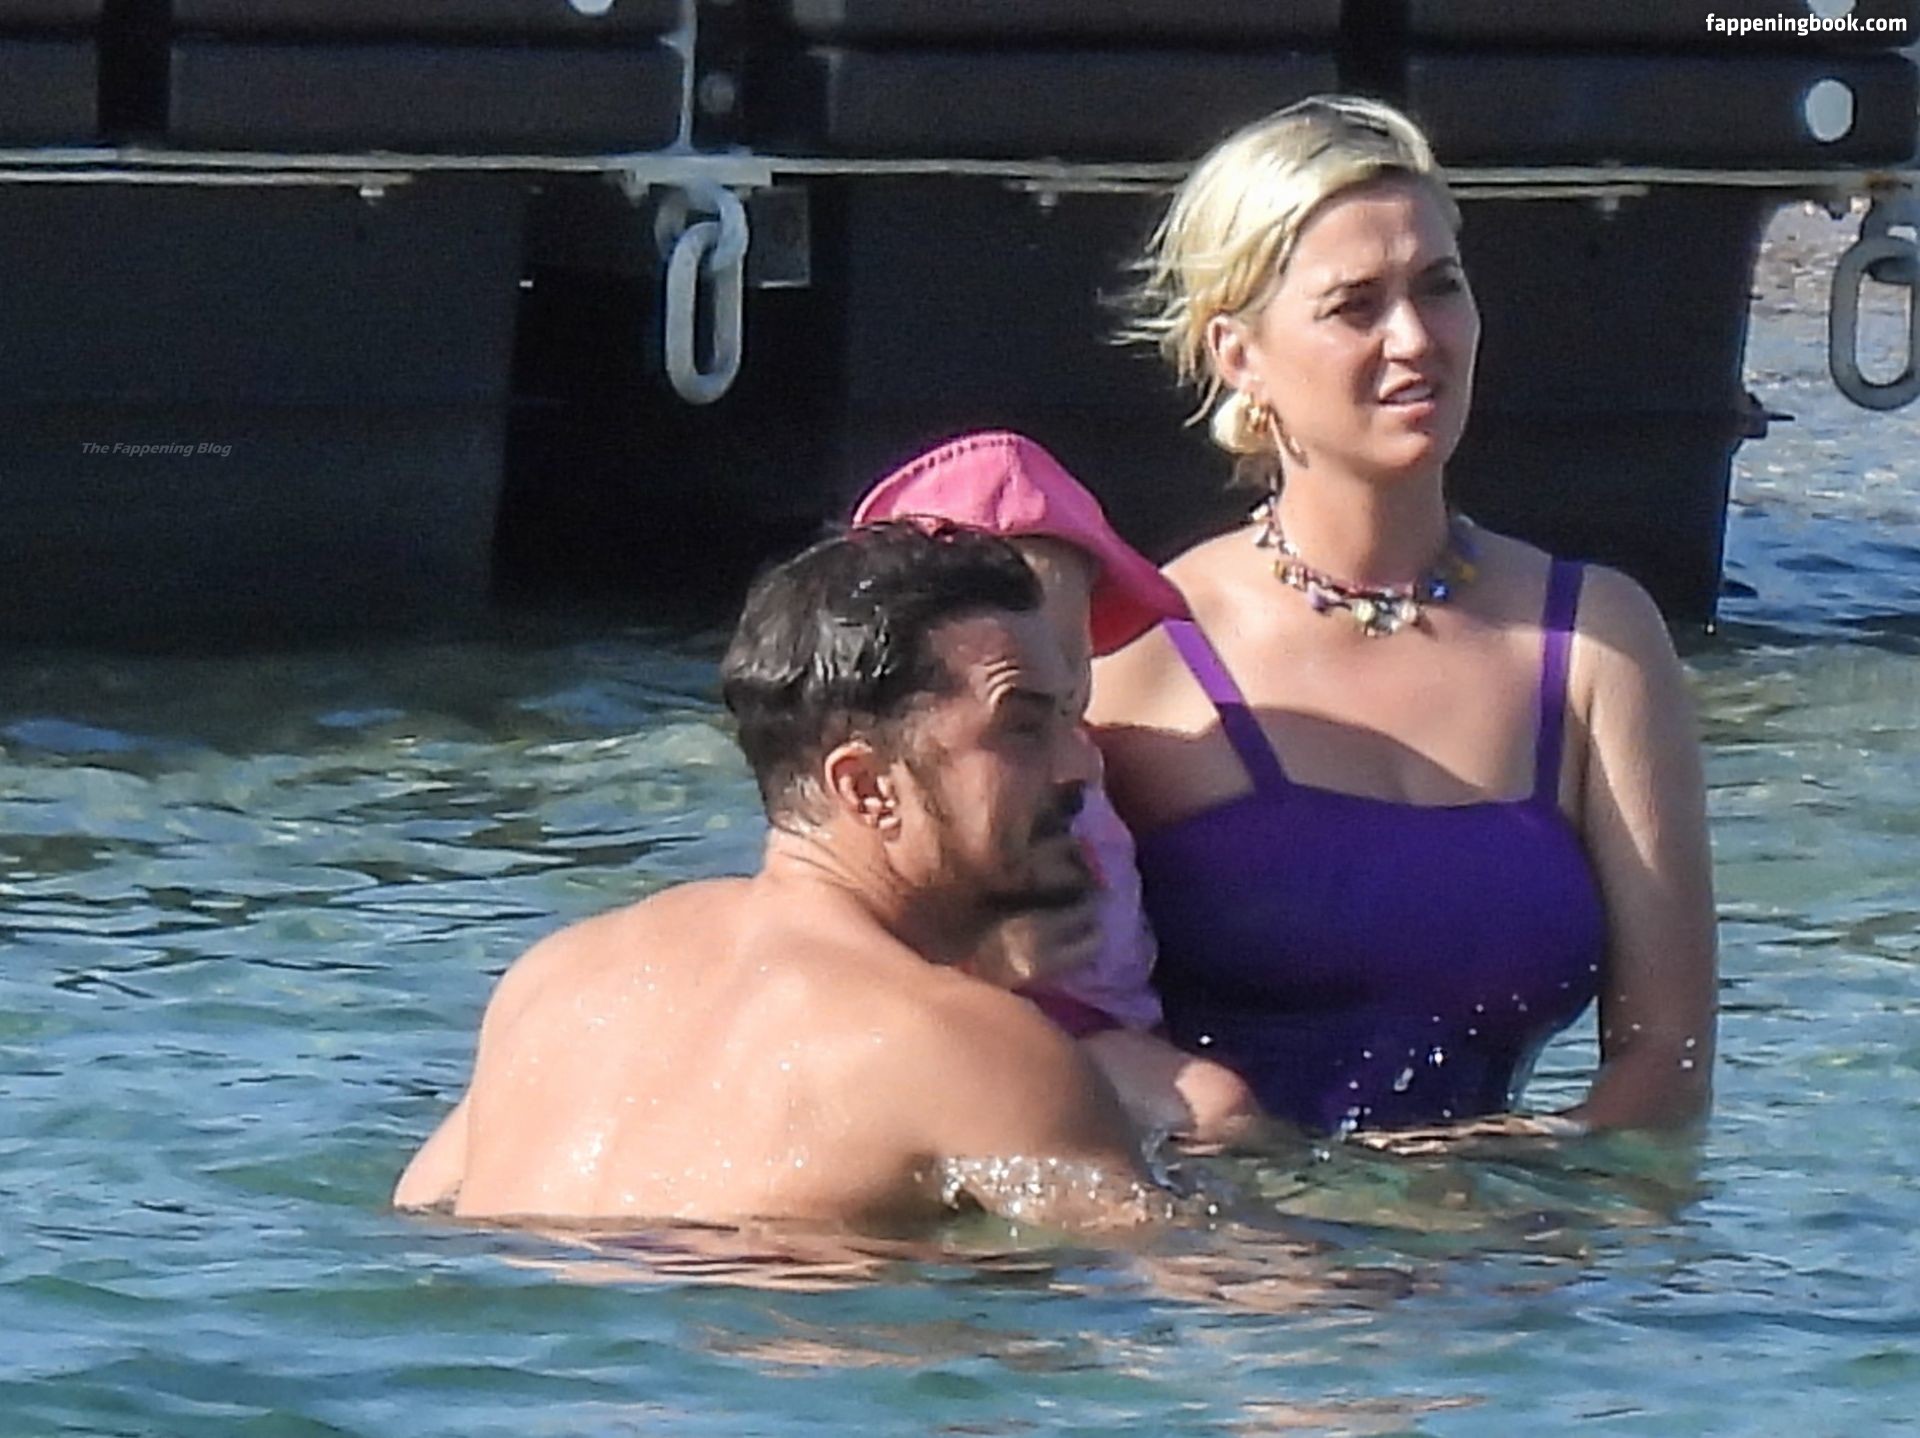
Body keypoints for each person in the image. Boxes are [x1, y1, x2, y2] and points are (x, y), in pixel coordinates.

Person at [1090, 95, 1718, 1138]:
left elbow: (1669, 1062)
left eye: (1440, 286)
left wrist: (1521, 1184)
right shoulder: (1144, 649)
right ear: (1238, 354)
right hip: (1225, 1229)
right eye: (1356, 305)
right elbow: (1024, 1022)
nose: (1417, 338)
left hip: (1509, 1228)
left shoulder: (1594, 644)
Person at [395, 523, 1160, 1228]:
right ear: (866, 787)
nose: (1082, 765)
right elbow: (1179, 1288)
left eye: (1070, 718)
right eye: (1023, 728)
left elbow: (418, 1215)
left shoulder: (556, 979)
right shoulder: (974, 1053)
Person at [852, 430, 1259, 1141]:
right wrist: (978, 968)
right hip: (1011, 1024)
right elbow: (842, 939)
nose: (1060, 686)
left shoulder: (1089, 758)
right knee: (1216, 1109)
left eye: (1073, 653)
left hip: (1117, 1025)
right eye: (1021, 671)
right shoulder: (898, 787)